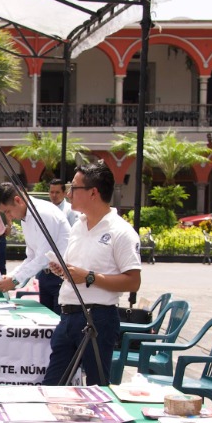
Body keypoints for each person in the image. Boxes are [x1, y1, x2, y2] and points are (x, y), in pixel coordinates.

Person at [42, 163, 141, 386]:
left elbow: (133, 281)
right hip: (67, 315)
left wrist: (88, 277)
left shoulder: (121, 232)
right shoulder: (78, 225)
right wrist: (64, 271)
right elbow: (78, 270)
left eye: (74, 187)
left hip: (97, 318)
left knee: (97, 387)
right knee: (52, 386)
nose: (68, 193)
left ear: (93, 192)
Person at [0, 182, 70, 313]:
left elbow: (43, 257)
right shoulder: (26, 216)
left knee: (58, 322)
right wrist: (12, 276)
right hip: (45, 276)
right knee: (47, 322)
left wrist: (15, 280)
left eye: (8, 211)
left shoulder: (43, 213)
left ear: (18, 200)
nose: (8, 216)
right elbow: (31, 256)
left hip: (62, 278)